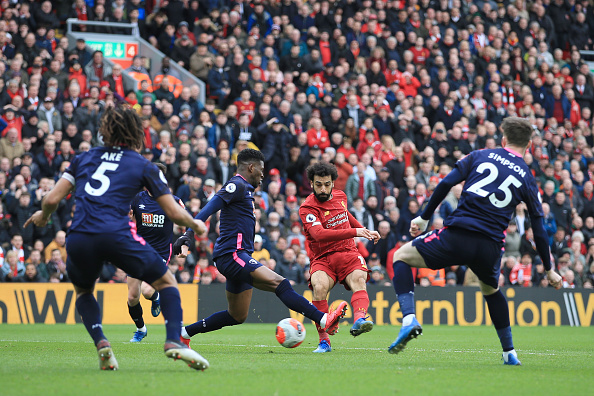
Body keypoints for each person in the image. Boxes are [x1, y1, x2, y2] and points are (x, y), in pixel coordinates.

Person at [25, 105, 209, 371]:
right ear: (136, 132)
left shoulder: (83, 158)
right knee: (166, 282)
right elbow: (173, 211)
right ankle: (172, 342)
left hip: (79, 236)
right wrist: (195, 225)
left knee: (85, 292)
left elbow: (52, 198)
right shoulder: (142, 164)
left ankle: (102, 343)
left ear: (104, 132)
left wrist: (43, 216)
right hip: (116, 235)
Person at [388, 117, 562, 365]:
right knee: (491, 290)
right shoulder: (527, 176)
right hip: (490, 247)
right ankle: (509, 353)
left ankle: (408, 319)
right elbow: (539, 228)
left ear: (503, 140)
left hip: (458, 235)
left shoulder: (480, 155)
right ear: (529, 145)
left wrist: (425, 217)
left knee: (400, 257)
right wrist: (548, 269)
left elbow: (446, 182)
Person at [173, 149, 347, 346]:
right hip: (232, 255)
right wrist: (188, 234)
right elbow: (208, 208)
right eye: (261, 170)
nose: (263, 174)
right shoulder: (236, 184)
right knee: (280, 284)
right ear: (251, 167)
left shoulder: (245, 189)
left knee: (237, 315)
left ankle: (184, 333)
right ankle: (324, 319)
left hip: (236, 256)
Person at [299, 162, 380, 353]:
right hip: (323, 256)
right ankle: (324, 341)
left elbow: (345, 214)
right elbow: (319, 234)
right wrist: (355, 231)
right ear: (311, 183)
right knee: (318, 287)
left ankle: (360, 319)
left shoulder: (341, 196)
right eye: (318, 184)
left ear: (333, 183)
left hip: (347, 252)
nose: (323, 189)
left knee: (359, 278)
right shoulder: (307, 208)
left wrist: (363, 230)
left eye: (327, 184)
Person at [126, 162, 186, 343]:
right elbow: (126, 218)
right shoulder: (137, 199)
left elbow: (187, 223)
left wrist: (184, 244)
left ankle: (156, 297)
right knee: (132, 297)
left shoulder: (172, 201)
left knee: (146, 291)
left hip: (159, 252)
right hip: (137, 250)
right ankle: (141, 329)